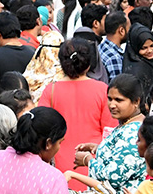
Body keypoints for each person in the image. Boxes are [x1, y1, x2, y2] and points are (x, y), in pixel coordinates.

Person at [37, 40, 112, 181]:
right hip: (93, 165)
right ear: (89, 63)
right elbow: (109, 133)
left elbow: (41, 129)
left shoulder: (51, 90)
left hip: (59, 168)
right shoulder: (103, 90)